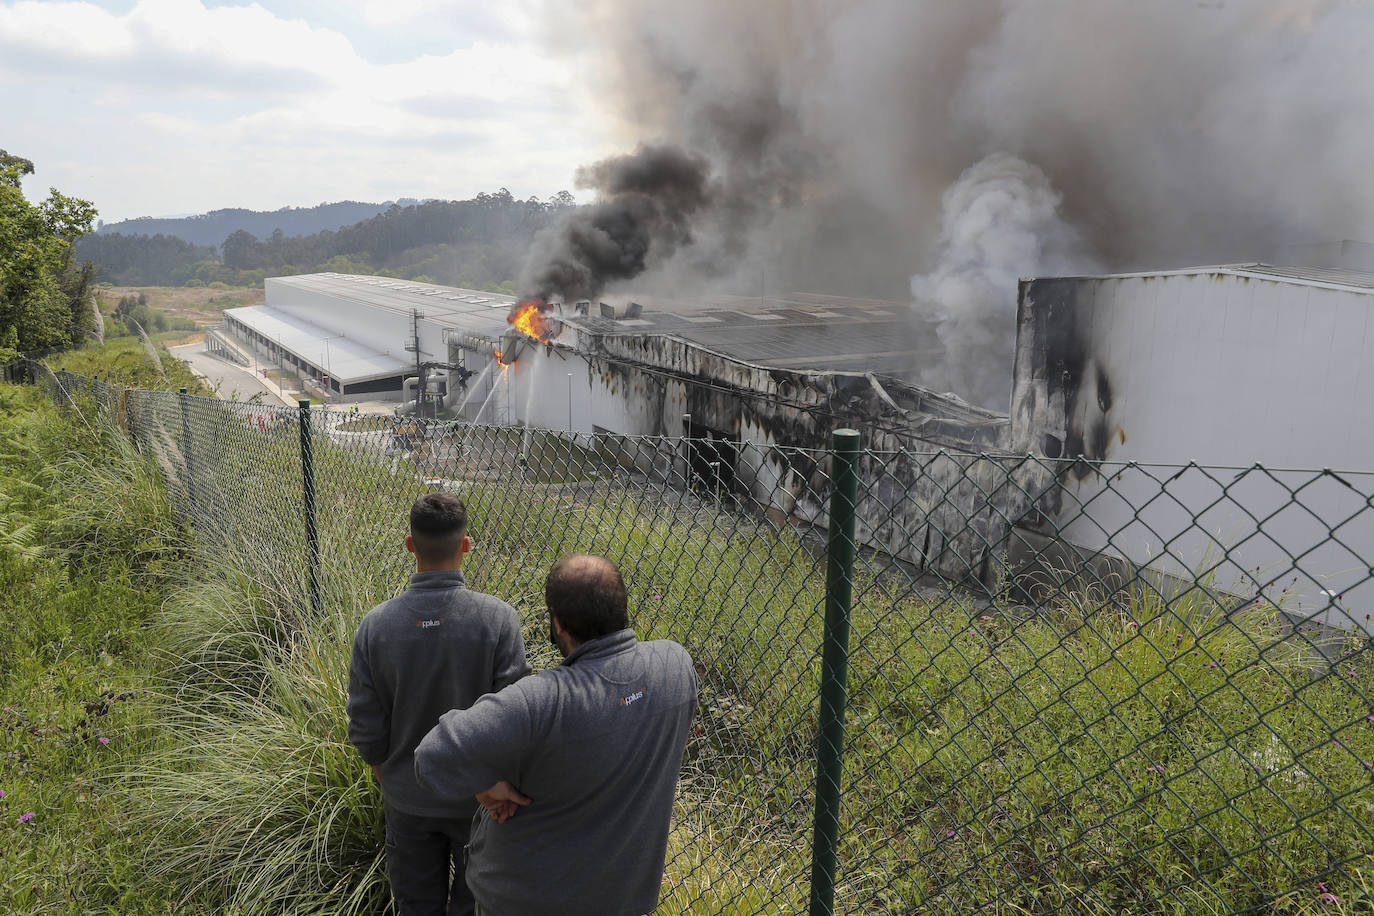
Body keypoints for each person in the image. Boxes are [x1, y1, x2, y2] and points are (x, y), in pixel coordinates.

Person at [415, 554, 698, 916]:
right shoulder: (675, 666)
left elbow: (431, 758)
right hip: (625, 898)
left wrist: (485, 784)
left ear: (558, 623)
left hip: (525, 901)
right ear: (622, 606)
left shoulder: (539, 702)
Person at [347, 492, 530, 916]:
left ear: (409, 545)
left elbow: (365, 717)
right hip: (478, 801)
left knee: (415, 904)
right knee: (476, 902)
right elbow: (514, 714)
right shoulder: (499, 619)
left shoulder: (376, 626)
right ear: (466, 545)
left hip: (407, 796)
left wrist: (382, 766)